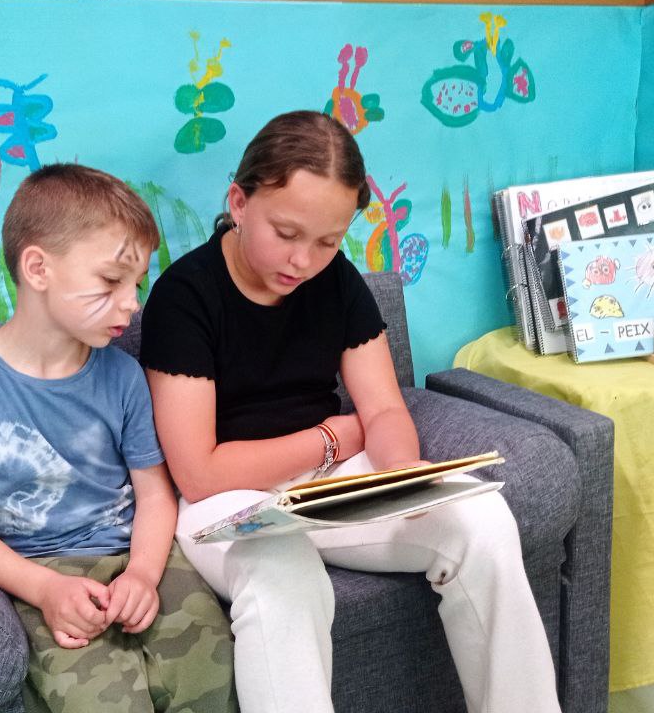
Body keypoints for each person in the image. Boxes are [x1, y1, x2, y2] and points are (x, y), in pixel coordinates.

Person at [139, 111, 561, 713]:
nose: (303, 261)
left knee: (482, 519)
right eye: (286, 233)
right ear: (239, 202)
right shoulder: (185, 296)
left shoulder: (336, 281)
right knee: (282, 571)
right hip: (227, 502)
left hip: (328, 486)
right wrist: (331, 439)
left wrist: (402, 475)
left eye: (328, 241)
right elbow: (198, 473)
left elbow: (384, 408)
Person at [0, 163, 236, 713]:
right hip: (40, 571)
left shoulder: (124, 377)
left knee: (210, 674)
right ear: (38, 268)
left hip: (139, 554)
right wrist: (44, 590)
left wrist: (143, 573)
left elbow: (155, 494)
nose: (132, 303)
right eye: (111, 281)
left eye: (136, 285)